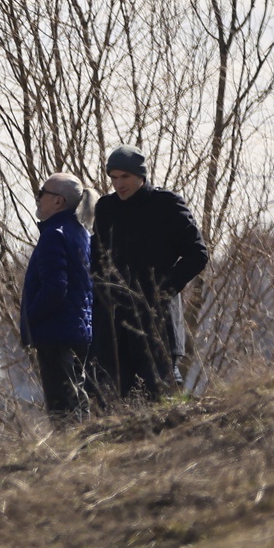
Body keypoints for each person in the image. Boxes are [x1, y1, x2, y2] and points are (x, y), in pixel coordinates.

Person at [89, 147, 209, 403]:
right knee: (114, 409)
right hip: (114, 330)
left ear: (140, 175)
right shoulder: (106, 208)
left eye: (125, 177)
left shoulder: (166, 204)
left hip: (157, 326)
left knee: (161, 404)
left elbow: (197, 253)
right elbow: (96, 262)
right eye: (113, 178)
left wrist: (161, 292)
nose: (118, 184)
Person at [22, 175, 94, 420]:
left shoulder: (54, 235)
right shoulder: (81, 232)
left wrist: (31, 315)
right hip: (78, 331)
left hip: (56, 333)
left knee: (62, 409)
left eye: (42, 193)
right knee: (78, 400)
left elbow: (55, 288)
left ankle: (70, 457)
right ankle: (87, 452)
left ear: (58, 201)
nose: (38, 199)